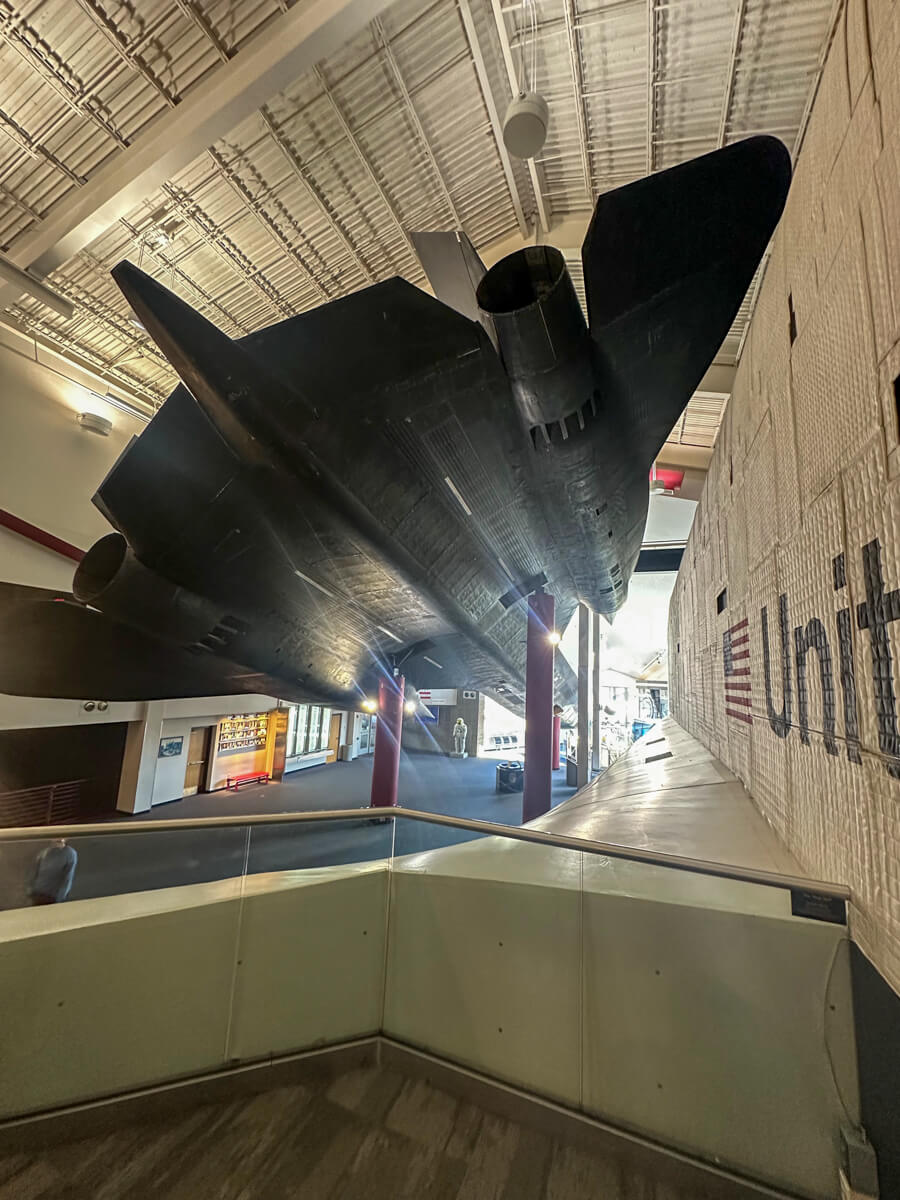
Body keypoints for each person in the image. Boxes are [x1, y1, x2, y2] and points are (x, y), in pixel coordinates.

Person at [27, 839, 78, 905]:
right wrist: (30, 891)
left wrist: (59, 899)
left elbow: (68, 879)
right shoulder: (44, 852)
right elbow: (34, 873)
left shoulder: (69, 853)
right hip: (37, 895)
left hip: (52, 898)